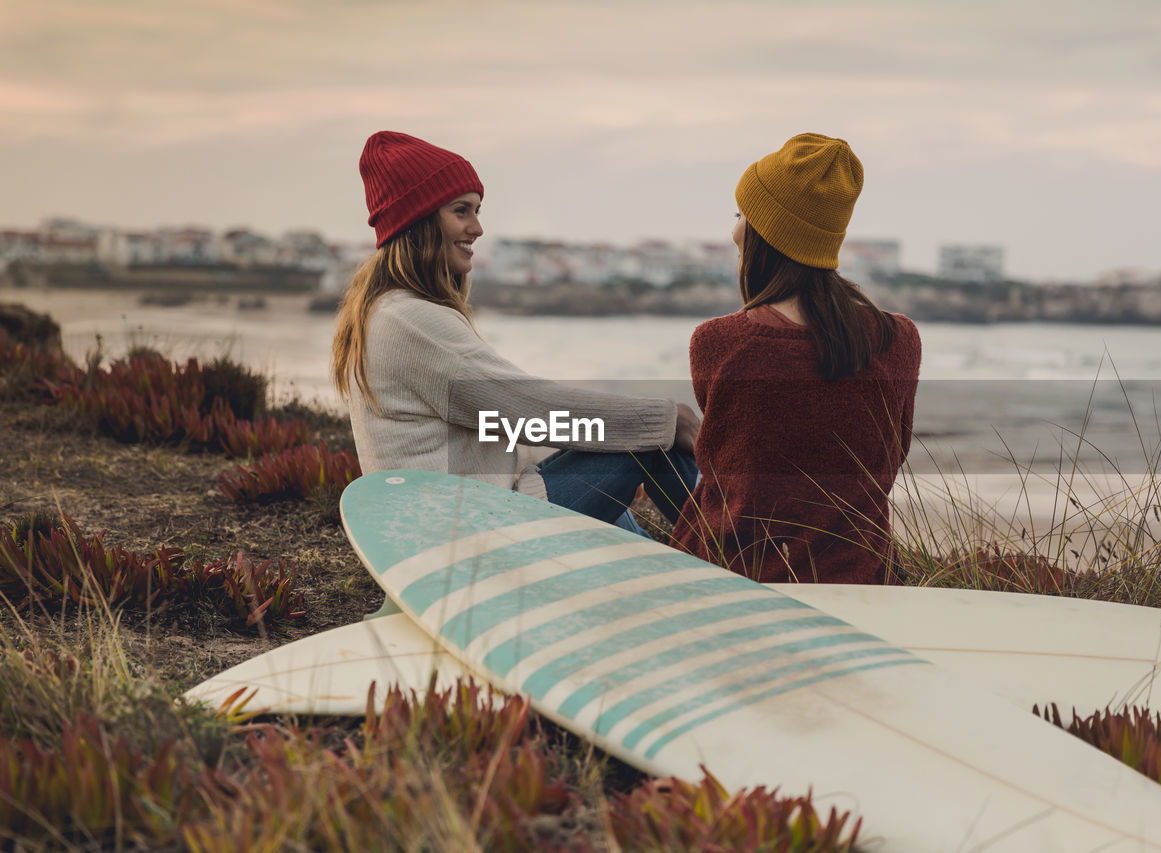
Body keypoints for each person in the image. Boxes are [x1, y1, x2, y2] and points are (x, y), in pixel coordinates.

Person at [332, 130, 700, 538]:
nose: (477, 228)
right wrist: (666, 419)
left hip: (453, 523)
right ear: (418, 221)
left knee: (627, 451)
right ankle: (749, 560)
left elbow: (501, 422)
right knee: (653, 437)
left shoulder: (387, 312)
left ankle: (672, 573)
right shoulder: (410, 321)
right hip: (478, 533)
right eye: (461, 211)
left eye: (477, 210)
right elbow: (527, 409)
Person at [669, 133, 921, 584]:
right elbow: (892, 453)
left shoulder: (720, 341)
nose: (733, 231)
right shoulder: (898, 339)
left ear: (766, 234)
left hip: (732, 575)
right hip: (860, 575)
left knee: (659, 452)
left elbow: (733, 464)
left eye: (740, 215)